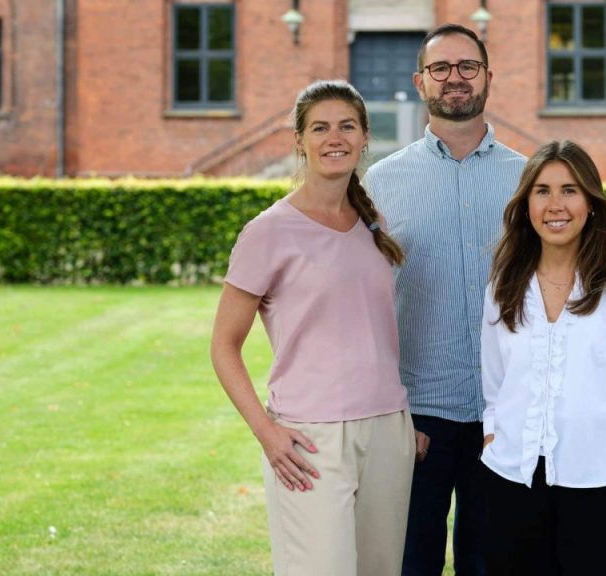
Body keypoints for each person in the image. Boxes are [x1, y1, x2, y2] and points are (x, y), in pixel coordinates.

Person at [210, 80, 416, 576]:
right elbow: (223, 345)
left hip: (389, 431)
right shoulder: (268, 232)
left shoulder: (374, 223)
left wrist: (402, 420)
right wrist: (266, 432)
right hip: (309, 440)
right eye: (320, 127)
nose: (334, 137)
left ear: (366, 136)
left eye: (346, 126)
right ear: (299, 140)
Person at [364, 23, 527, 576]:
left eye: (467, 67)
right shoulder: (380, 183)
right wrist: (392, 411)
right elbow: (368, 308)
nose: (454, 78)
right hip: (418, 421)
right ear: (419, 81)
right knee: (412, 564)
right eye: (441, 68)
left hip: (503, 415)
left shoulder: (529, 181)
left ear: (487, 77)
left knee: (494, 564)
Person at [480, 140, 606, 576]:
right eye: (542, 190)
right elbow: (493, 388)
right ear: (526, 205)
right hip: (511, 483)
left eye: (569, 190)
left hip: (597, 488)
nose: (555, 204)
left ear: (590, 203)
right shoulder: (502, 288)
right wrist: (495, 439)